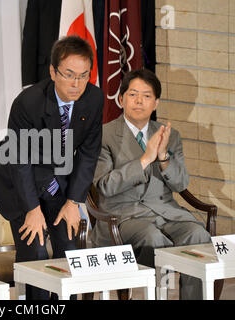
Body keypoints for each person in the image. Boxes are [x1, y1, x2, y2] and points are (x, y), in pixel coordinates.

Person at [0, 36, 104, 299]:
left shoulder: (94, 98)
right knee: (36, 250)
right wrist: (32, 209)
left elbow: (88, 153)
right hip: (17, 181)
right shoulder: (28, 102)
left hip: (55, 180)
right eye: (69, 75)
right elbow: (21, 160)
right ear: (53, 72)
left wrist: (74, 202)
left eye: (84, 76)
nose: (76, 84)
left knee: (70, 249)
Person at [90, 69, 210, 300]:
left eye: (146, 96)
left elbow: (181, 183)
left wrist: (163, 157)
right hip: (122, 217)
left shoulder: (169, 135)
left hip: (166, 213)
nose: (139, 101)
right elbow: (104, 186)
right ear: (121, 98)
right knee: (153, 239)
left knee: (197, 235)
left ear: (156, 103)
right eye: (133, 94)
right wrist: (145, 160)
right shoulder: (104, 135)